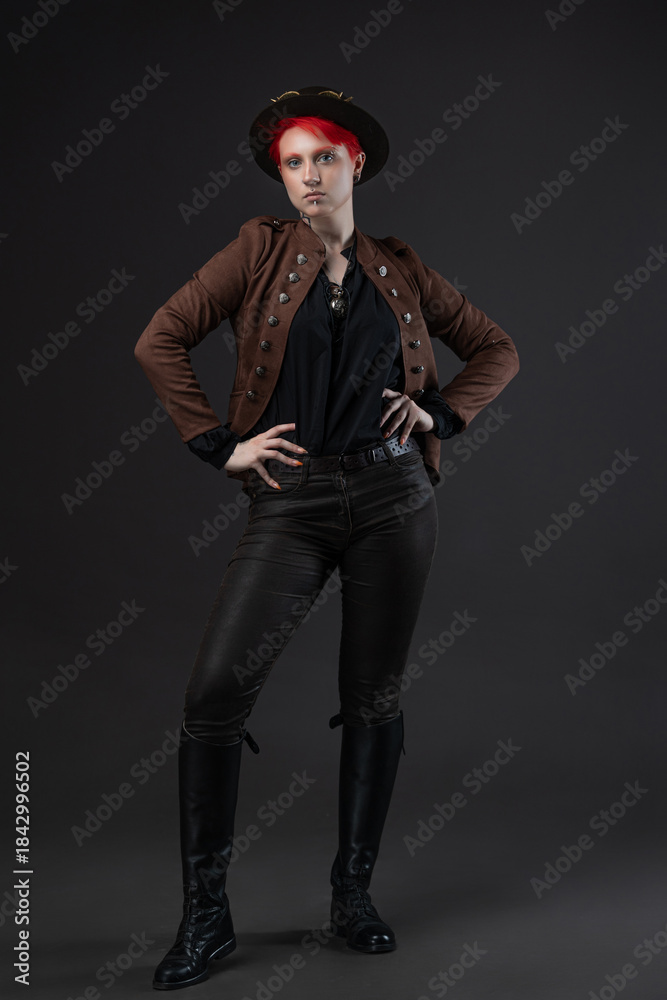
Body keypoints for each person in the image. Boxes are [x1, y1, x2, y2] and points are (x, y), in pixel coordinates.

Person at [134, 85, 520, 991]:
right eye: (292, 162)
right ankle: (206, 918)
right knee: (215, 695)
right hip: (292, 502)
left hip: (393, 498)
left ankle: (352, 897)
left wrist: (439, 415)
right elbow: (160, 339)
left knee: (373, 696)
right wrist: (217, 444)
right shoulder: (256, 250)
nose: (308, 175)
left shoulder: (400, 266)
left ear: (357, 164)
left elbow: (496, 349)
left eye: (324, 158)